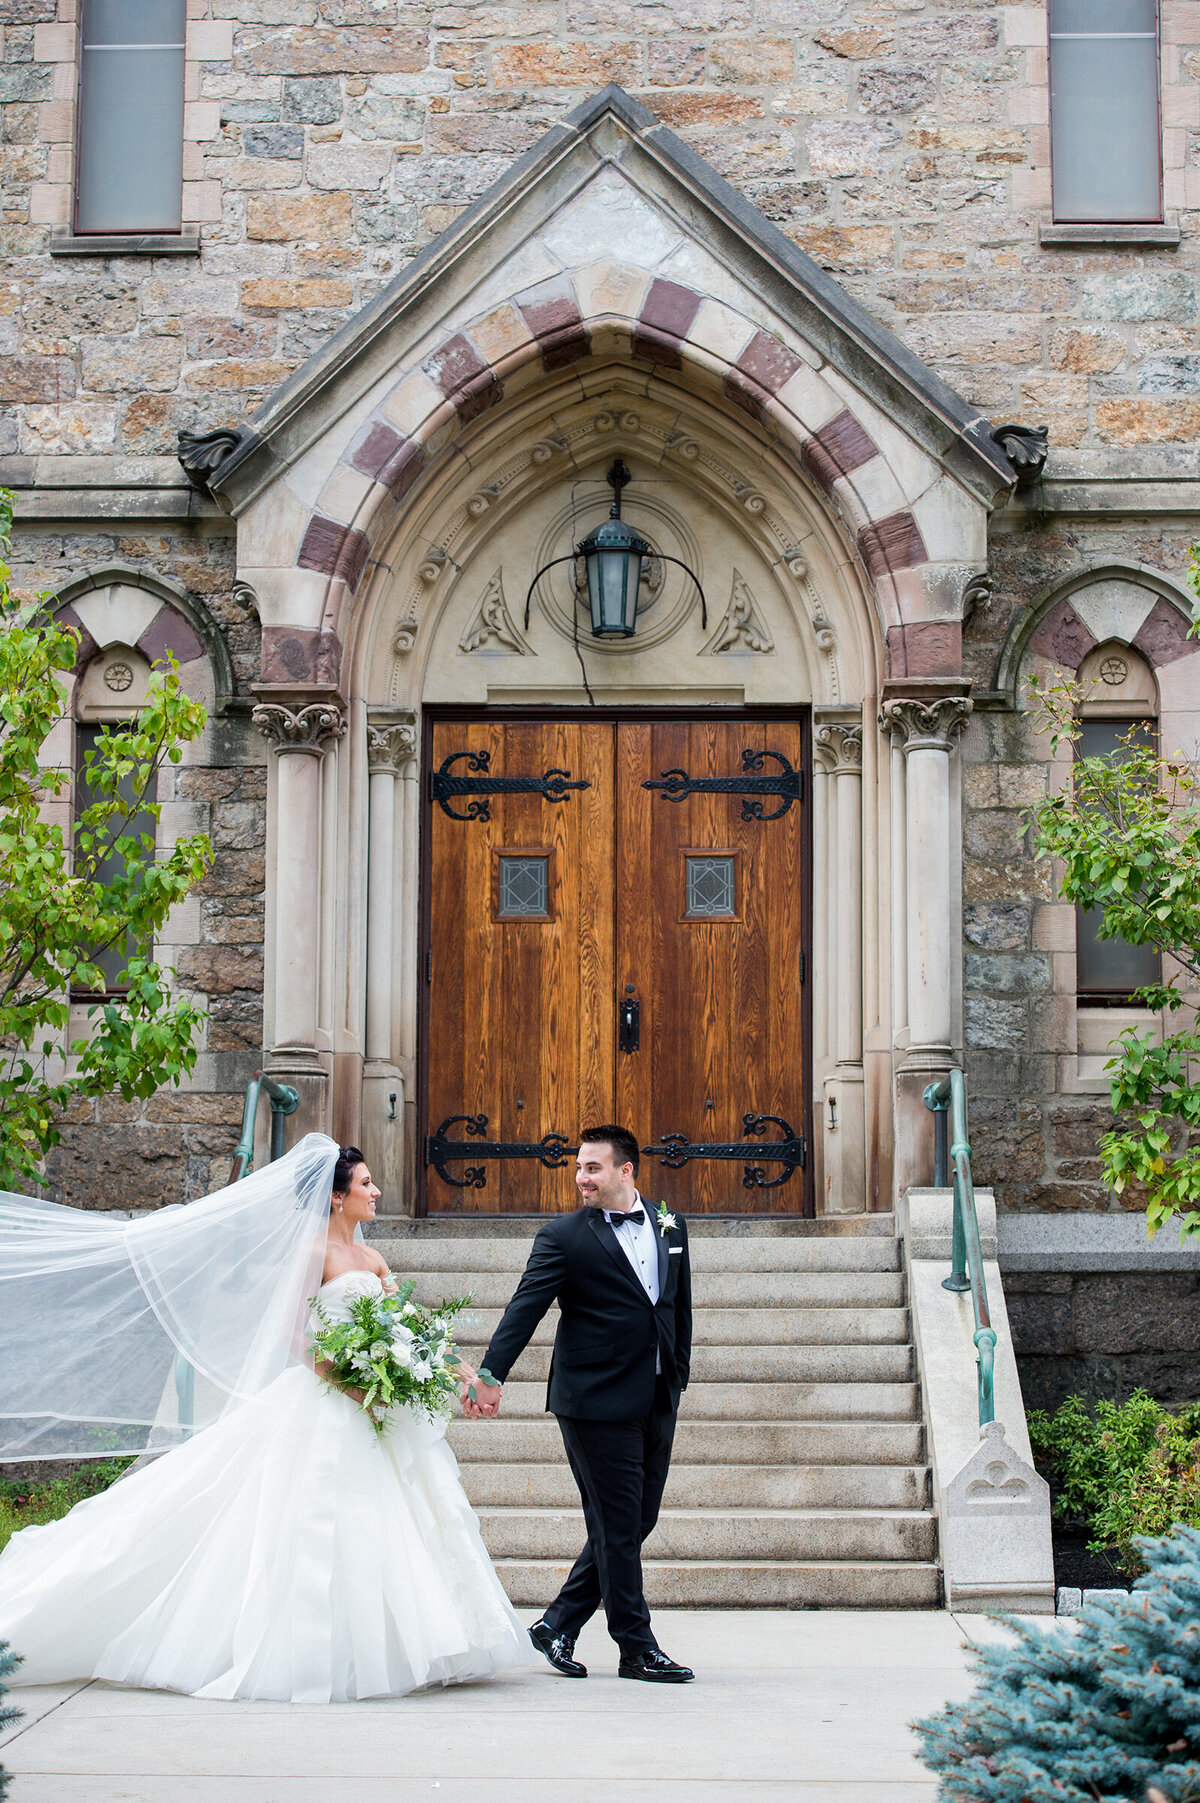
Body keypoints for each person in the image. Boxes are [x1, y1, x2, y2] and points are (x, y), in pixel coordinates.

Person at [0, 1135, 531, 1702]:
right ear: (334, 1197)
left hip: (381, 1405)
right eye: (366, 1184)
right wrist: (354, 1387)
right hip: (331, 1402)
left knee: (396, 1520)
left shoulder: (374, 1259)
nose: (376, 1192)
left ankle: (403, 1646)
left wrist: (463, 1375)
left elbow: (413, 1331)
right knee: (321, 1519)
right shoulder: (313, 1255)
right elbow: (293, 1336)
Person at [465, 1124, 695, 1684]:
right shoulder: (562, 1236)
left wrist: (678, 1372)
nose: (580, 1177)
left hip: (657, 1391)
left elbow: (677, 1303)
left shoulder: (669, 1222)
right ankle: (636, 1647)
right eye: (577, 1167)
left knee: (636, 1519)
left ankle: (557, 1625)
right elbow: (527, 1307)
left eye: (592, 1168)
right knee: (618, 1523)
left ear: (626, 1171)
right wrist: (492, 1374)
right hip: (592, 1397)